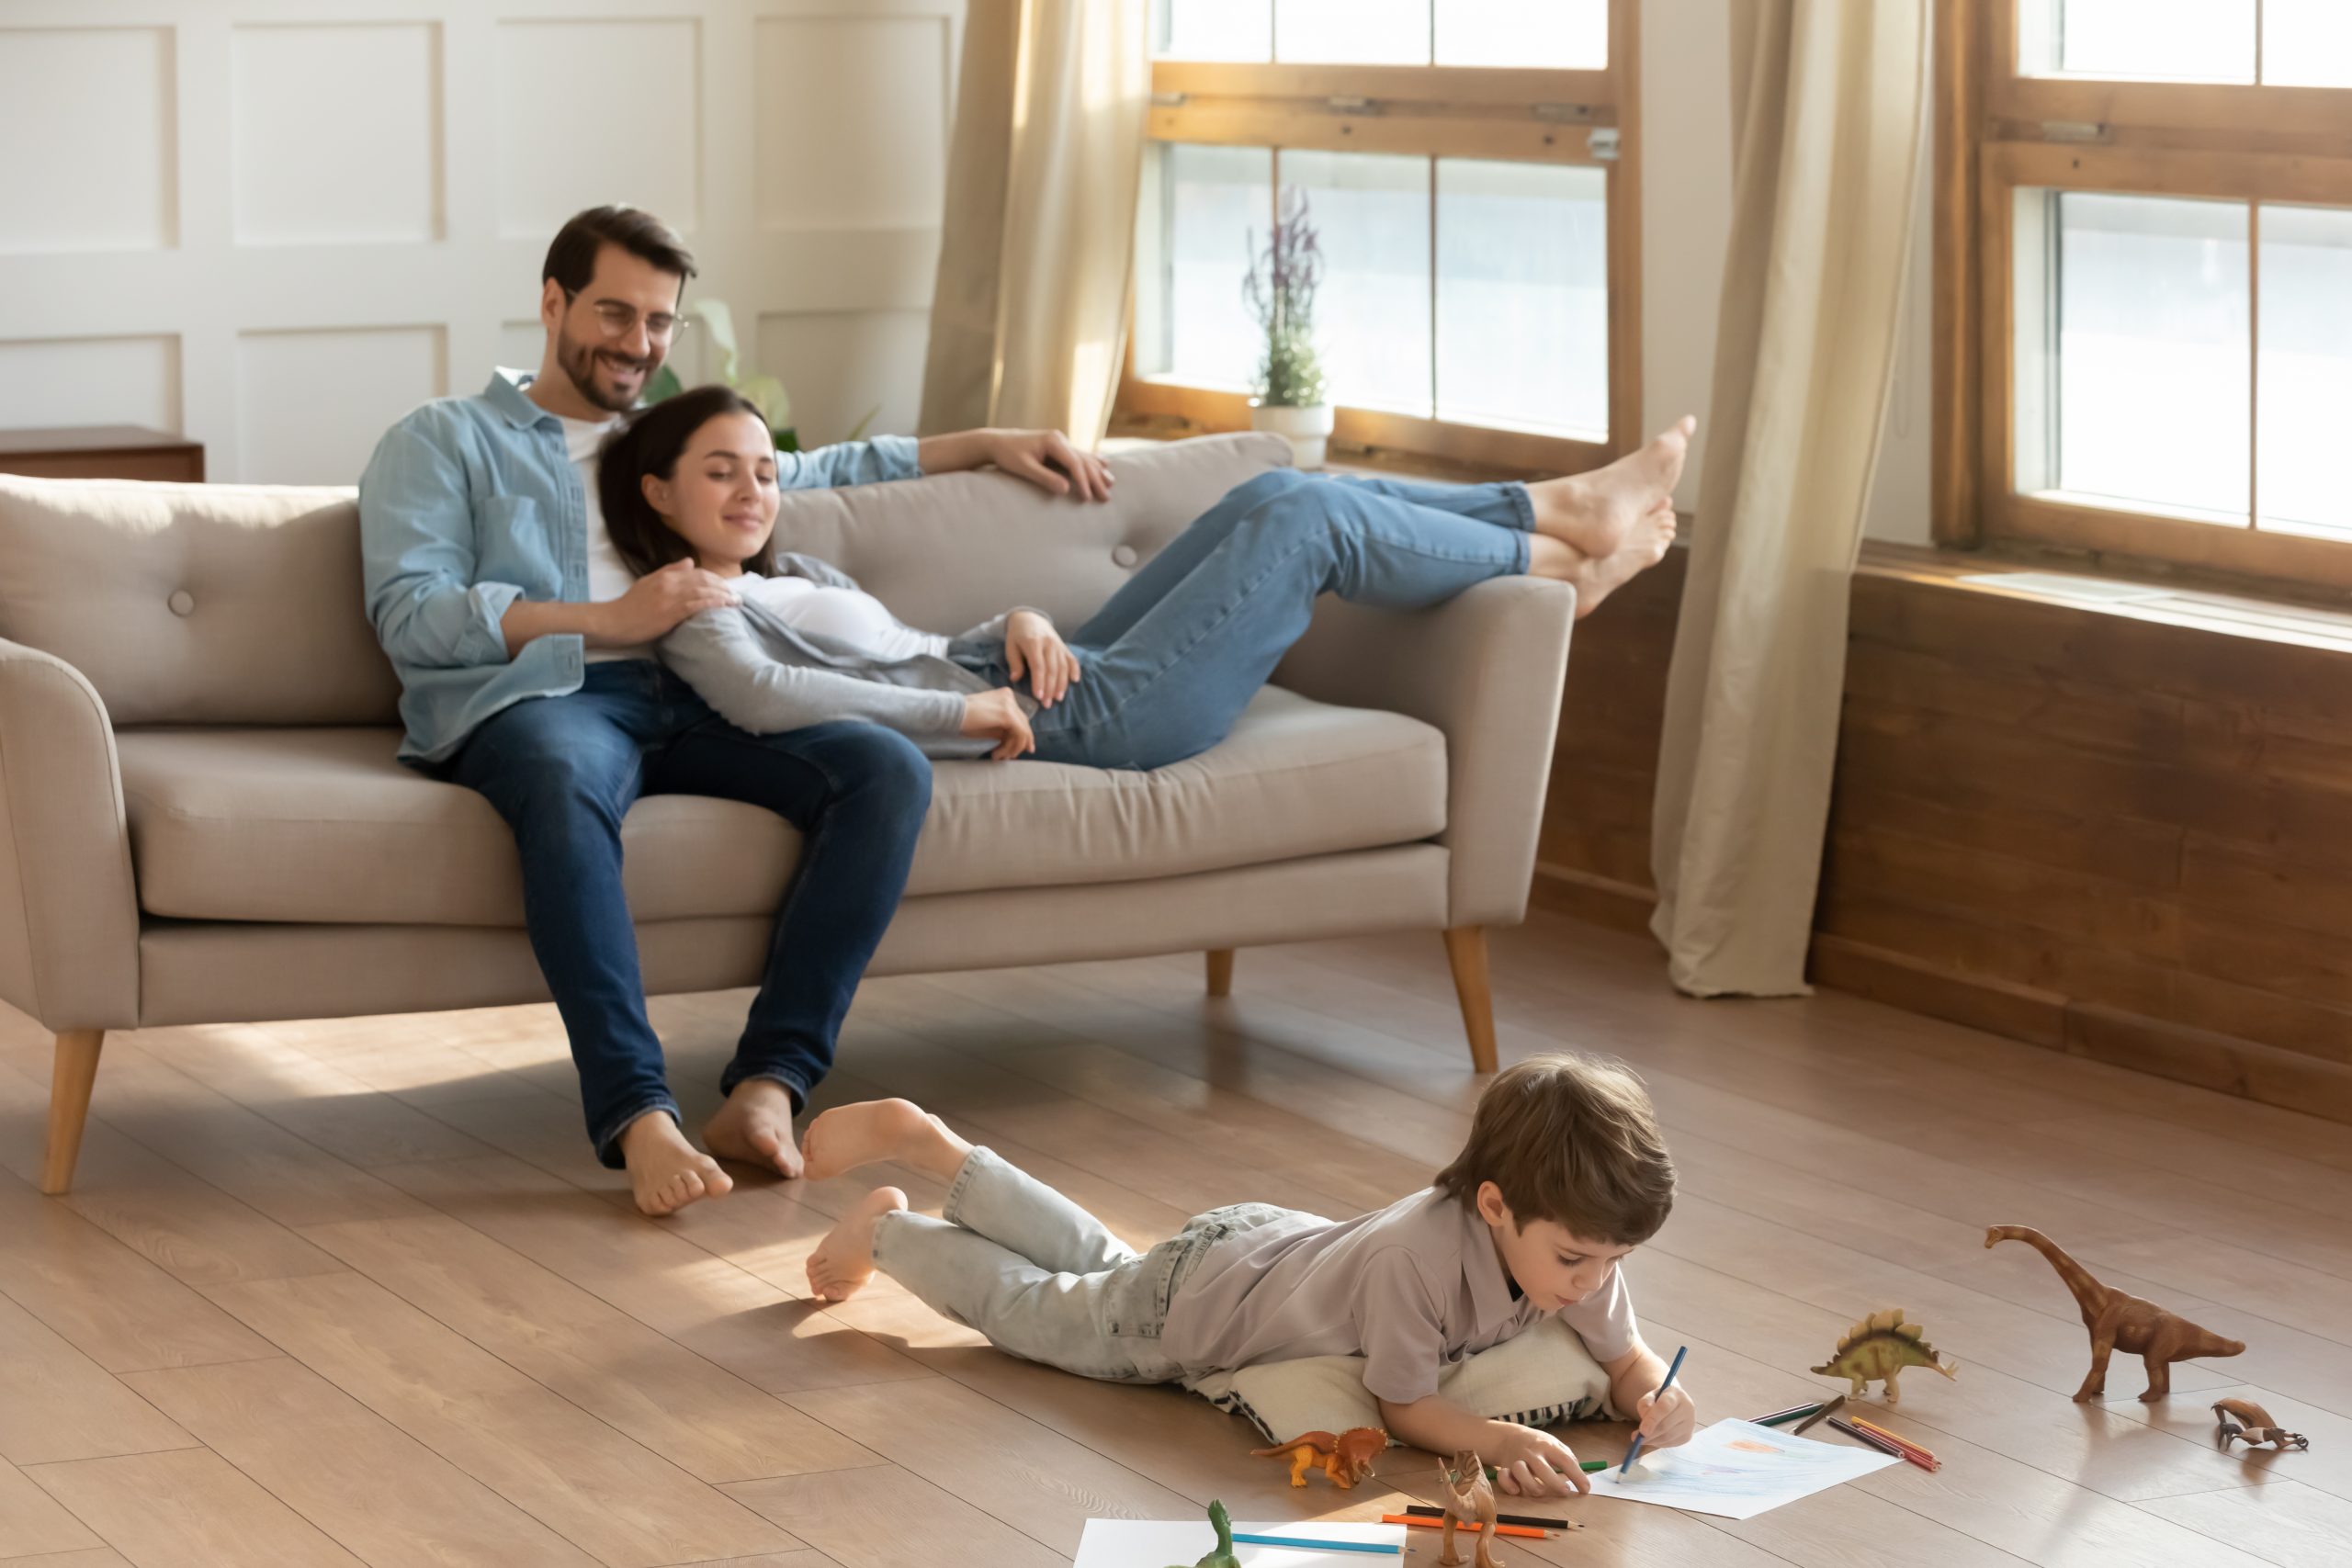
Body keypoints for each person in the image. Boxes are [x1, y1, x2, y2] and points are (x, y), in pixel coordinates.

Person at [357, 205, 1112, 1217]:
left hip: (710, 686)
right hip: (553, 694)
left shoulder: (662, 446)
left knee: (885, 766)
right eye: (614, 314)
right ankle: (637, 1115)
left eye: (659, 322)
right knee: (560, 777)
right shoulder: (444, 439)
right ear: (551, 303)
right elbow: (411, 615)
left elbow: (821, 468)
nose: (637, 343)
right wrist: (609, 616)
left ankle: (768, 1087)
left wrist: (985, 441)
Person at [600, 385, 1691, 772]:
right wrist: (958, 706)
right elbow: (768, 696)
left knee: (1269, 492)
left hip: (1041, 664)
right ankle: (1556, 525)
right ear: (657, 494)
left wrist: (1015, 616)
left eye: (761, 472)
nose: (752, 493)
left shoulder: (796, 560)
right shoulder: (695, 608)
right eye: (718, 475)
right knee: (1308, 516)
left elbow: (907, 639)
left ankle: (1557, 547)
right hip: (1087, 721)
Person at [793, 1053, 1694, 1496]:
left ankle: (942, 1150)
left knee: (1105, 1269)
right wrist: (1499, 1442)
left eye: (1612, 1262)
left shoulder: (1576, 1243)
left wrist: (1652, 1395)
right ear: (1495, 1206)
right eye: (1577, 1261)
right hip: (1201, 1310)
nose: (1591, 1283)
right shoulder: (1419, 1261)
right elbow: (1403, 1408)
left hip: (1252, 1249)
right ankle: (896, 1236)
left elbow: (1624, 1358)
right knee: (1047, 1313)